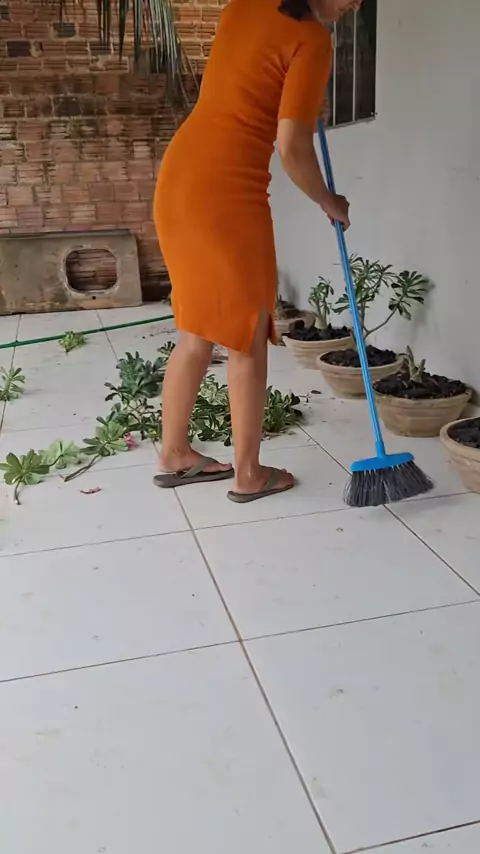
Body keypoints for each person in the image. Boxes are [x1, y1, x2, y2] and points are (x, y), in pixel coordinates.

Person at [153, 0, 359, 502]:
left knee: (197, 329)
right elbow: (292, 146)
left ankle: (174, 453)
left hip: (179, 177)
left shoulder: (243, 6)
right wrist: (327, 200)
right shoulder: (311, 40)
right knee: (247, 332)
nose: (358, 3)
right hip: (226, 193)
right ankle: (248, 474)